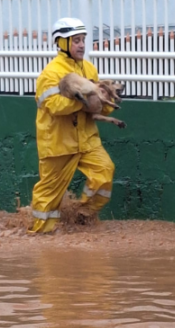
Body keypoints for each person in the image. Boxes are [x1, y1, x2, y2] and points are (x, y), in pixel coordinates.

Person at [27, 17, 118, 234]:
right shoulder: (50, 73)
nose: (82, 45)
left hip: (87, 140)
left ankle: (81, 215)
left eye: (83, 39)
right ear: (62, 43)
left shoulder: (89, 69)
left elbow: (97, 106)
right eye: (76, 40)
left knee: (104, 173)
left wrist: (108, 103)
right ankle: (40, 234)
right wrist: (83, 101)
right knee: (49, 194)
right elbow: (53, 105)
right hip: (58, 143)